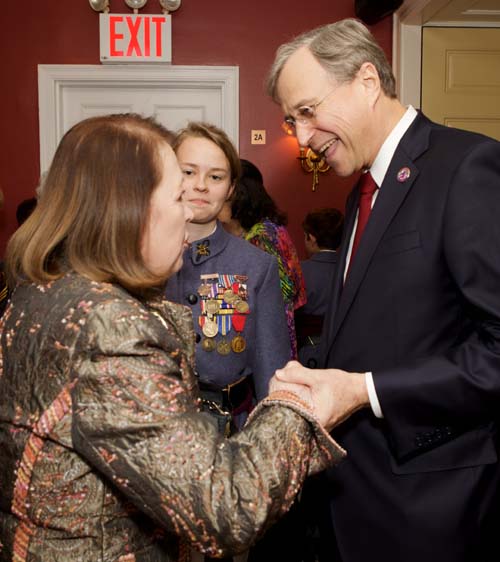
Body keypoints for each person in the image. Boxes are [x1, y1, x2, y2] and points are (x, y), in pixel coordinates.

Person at [0, 113, 345, 562]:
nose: (192, 208)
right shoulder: (112, 327)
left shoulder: (35, 293)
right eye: (178, 192)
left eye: (213, 178)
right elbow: (228, 506)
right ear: (131, 207)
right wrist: (300, 406)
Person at [266, 17, 500, 562]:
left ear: (366, 81)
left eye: (307, 112)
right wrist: (316, 372)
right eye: (290, 120)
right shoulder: (362, 192)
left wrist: (363, 390)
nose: (301, 138)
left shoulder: (467, 166)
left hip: (433, 507)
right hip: (359, 500)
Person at [165, 123, 292, 434]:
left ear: (231, 188)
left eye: (216, 176)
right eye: (188, 172)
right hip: (154, 428)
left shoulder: (255, 265)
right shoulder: (133, 258)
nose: (201, 186)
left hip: (228, 430)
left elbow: (271, 368)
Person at [218, 159, 306, 358]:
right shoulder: (249, 231)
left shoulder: (264, 235)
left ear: (238, 196)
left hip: (268, 341)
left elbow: (284, 292)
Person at [295, 208, 344, 368]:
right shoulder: (350, 269)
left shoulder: (299, 270)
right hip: (342, 349)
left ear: (312, 238)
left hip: (306, 351)